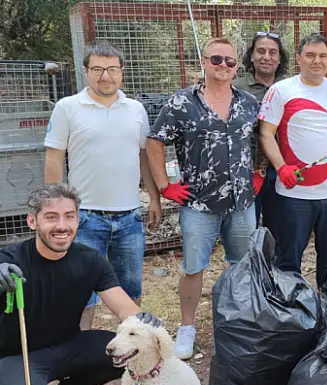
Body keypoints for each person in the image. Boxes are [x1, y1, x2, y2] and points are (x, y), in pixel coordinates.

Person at [145, 37, 260, 360]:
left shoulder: (249, 102)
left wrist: (260, 173)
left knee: (241, 266)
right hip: (199, 204)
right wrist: (165, 185)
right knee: (193, 267)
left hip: (241, 203)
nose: (223, 66)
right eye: (217, 60)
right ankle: (187, 327)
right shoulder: (181, 103)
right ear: (204, 61)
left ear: (237, 66)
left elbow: (264, 138)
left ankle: (237, 322)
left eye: (230, 62)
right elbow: (155, 142)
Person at [0, 184, 161, 385]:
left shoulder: (90, 261)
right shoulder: (11, 260)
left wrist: (143, 321)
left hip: (68, 347)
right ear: (32, 221)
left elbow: (125, 309)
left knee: (134, 352)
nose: (62, 225)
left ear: (78, 220)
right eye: (51, 217)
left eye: (69, 216)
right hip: (17, 358)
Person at [43, 40, 161, 331]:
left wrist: (155, 199)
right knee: (80, 294)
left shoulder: (136, 110)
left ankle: (134, 353)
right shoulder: (67, 108)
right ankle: (74, 355)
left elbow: (144, 158)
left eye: (111, 69)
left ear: (121, 72)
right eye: (97, 69)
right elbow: (54, 157)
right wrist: (55, 208)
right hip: (84, 217)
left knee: (130, 291)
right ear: (86, 72)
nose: (105, 76)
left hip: (130, 217)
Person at [258, 33, 327, 288]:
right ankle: (292, 316)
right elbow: (266, 133)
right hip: (293, 194)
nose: (317, 61)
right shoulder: (281, 91)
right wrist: (281, 167)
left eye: (322, 56)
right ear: (298, 58)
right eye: (310, 55)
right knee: (288, 260)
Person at [233, 31, 289, 241]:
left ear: (279, 58)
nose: (267, 57)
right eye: (261, 51)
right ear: (252, 56)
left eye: (273, 52)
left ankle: (275, 272)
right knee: (245, 234)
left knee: (279, 232)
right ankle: (249, 272)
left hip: (281, 170)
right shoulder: (236, 88)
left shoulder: (289, 87)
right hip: (247, 172)